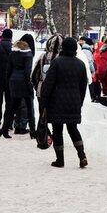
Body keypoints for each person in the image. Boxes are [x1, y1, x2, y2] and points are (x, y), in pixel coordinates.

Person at [40, 37, 89, 168]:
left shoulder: (57, 63)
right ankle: (82, 155)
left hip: (56, 102)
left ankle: (60, 160)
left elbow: (48, 85)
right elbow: (83, 86)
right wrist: (79, 102)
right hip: (74, 102)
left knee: (57, 130)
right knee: (73, 129)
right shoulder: (80, 64)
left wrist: (43, 102)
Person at [3, 34, 35, 138]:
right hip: (24, 83)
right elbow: (27, 72)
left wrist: (8, 82)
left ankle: (4, 129)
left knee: (13, 107)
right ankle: (33, 132)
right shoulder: (28, 54)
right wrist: (30, 86)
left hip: (13, 81)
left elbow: (8, 69)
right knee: (29, 108)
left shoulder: (14, 52)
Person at [32, 34, 64, 98]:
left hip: (42, 90)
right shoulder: (64, 58)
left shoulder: (43, 57)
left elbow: (34, 75)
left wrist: (38, 86)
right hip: (59, 92)